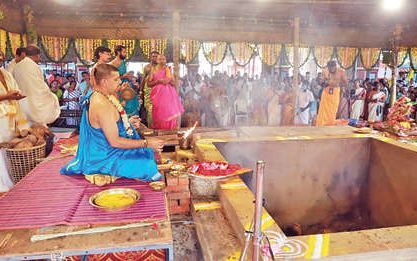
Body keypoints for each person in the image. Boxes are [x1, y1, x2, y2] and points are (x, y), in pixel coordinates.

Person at [61, 64, 163, 183]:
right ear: (104, 82)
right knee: (148, 166)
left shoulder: (101, 95)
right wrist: (147, 143)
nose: (120, 81)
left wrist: (126, 123)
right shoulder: (102, 104)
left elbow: (106, 124)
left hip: (107, 149)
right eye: (115, 79)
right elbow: (115, 142)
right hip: (104, 157)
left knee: (146, 154)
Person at [0, 50, 29, 192]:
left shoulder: (5, 73)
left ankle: (8, 183)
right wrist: (6, 96)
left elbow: (13, 89)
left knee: (8, 149)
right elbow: (6, 95)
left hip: (9, 119)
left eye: (1, 54)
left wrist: (16, 94)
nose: (0, 57)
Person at [13, 45, 60, 125]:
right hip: (34, 104)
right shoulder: (34, 67)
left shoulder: (16, 67)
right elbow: (41, 88)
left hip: (21, 104)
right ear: (37, 55)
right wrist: (52, 95)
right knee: (53, 98)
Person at [147, 54, 184, 129]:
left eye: (163, 59)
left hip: (169, 97)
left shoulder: (168, 69)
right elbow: (148, 84)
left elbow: (173, 83)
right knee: (159, 115)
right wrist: (158, 81)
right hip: (158, 97)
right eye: (160, 59)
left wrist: (168, 80)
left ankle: (171, 130)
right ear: (157, 60)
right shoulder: (153, 70)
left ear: (166, 60)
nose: (162, 61)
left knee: (170, 112)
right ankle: (160, 131)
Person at [111, 45, 140, 117]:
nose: (125, 54)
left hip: (127, 84)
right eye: (124, 52)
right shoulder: (113, 63)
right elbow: (112, 78)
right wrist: (124, 76)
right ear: (118, 52)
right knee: (123, 104)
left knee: (132, 100)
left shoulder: (123, 61)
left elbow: (124, 75)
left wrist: (131, 77)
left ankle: (133, 122)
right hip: (119, 87)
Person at [316, 61, 348, 126]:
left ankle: (330, 124)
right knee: (323, 111)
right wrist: (325, 83)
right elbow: (320, 82)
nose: (331, 70)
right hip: (326, 93)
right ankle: (322, 125)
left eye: (332, 68)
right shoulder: (325, 71)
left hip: (335, 93)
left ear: (335, 66)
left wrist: (337, 84)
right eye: (329, 68)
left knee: (333, 111)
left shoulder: (341, 72)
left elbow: (346, 83)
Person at [139, 51, 159, 126]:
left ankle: (158, 127)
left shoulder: (161, 67)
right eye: (153, 56)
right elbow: (143, 79)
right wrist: (141, 91)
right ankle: (151, 127)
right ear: (150, 57)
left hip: (159, 91)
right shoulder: (147, 67)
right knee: (150, 110)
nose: (154, 58)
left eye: (156, 56)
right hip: (148, 91)